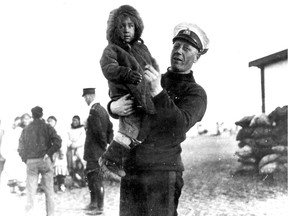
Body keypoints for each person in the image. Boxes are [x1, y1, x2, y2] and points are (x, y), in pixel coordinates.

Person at [107, 23, 209, 216]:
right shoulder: (154, 77)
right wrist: (113, 107)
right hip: (132, 169)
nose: (179, 51)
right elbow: (121, 91)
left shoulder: (195, 93)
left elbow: (179, 126)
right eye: (176, 46)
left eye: (186, 48)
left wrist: (157, 92)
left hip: (163, 172)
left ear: (197, 57)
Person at [99, 4, 159, 177]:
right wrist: (126, 73)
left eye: (130, 25)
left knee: (144, 131)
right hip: (126, 98)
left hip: (145, 97)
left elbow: (153, 67)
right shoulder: (112, 50)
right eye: (121, 26)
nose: (126, 30)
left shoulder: (142, 48)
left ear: (136, 27)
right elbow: (108, 68)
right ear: (114, 29)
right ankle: (110, 160)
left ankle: (123, 160)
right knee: (129, 131)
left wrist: (156, 83)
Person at [18, 106, 62, 216]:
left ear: (32, 115)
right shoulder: (47, 127)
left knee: (30, 193)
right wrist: (49, 153)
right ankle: (50, 214)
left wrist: (26, 159)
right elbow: (58, 141)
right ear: (42, 114)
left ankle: (29, 214)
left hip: (31, 162)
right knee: (49, 192)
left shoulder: (26, 129)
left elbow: (20, 148)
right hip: (44, 160)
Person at [82, 88, 114, 214]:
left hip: (94, 152)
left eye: (85, 97)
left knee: (94, 178)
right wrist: (108, 142)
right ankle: (94, 203)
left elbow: (98, 131)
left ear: (90, 96)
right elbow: (110, 127)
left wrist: (103, 146)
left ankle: (98, 206)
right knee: (92, 177)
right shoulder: (103, 110)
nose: (85, 99)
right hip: (98, 151)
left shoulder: (94, 111)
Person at [47, 116, 68, 193]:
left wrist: (62, 152)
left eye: (51, 121)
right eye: (48, 121)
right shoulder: (47, 131)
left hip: (59, 153)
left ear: (55, 122)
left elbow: (60, 142)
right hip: (52, 153)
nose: (49, 123)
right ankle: (50, 187)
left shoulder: (58, 131)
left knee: (60, 170)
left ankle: (62, 186)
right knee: (52, 170)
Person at [67, 115, 86, 187]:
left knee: (81, 165)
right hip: (71, 150)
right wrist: (70, 144)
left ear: (79, 121)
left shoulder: (82, 129)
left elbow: (82, 140)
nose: (74, 122)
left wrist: (75, 145)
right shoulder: (69, 129)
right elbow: (67, 138)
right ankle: (75, 182)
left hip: (80, 149)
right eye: (73, 120)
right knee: (72, 166)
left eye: (76, 120)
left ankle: (83, 181)